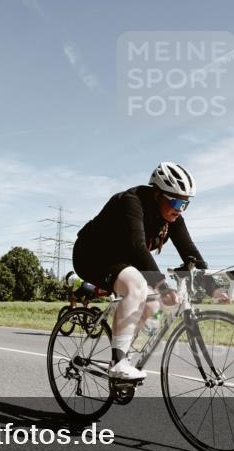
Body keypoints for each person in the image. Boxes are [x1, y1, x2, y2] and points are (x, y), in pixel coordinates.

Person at [72, 162, 207, 381]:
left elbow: (190, 252)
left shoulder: (173, 217)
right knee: (137, 286)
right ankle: (118, 364)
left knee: (155, 304)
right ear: (157, 194)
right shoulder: (131, 202)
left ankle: (123, 354)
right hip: (92, 255)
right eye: (174, 200)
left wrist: (211, 279)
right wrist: (162, 285)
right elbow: (137, 248)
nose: (179, 208)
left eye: (185, 203)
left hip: (123, 259)